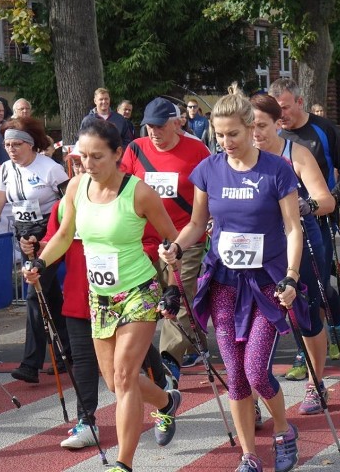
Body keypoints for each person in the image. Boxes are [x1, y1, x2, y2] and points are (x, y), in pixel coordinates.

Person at [24, 119, 182, 472]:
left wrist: (173, 284)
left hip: (138, 292)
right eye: (82, 156)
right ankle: (166, 402)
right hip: (101, 296)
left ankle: (123, 464)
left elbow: (172, 240)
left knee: (125, 377)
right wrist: (40, 262)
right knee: (112, 380)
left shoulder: (139, 192)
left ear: (118, 155)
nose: (88, 164)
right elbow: (64, 236)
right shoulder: (77, 187)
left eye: (97, 157)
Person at [161, 93, 304, 472]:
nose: (227, 142)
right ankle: (249, 456)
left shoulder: (276, 170)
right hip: (224, 281)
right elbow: (195, 224)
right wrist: (175, 245)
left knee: (257, 370)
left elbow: (292, 227)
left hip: (268, 282)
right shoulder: (209, 169)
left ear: (252, 128)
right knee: (236, 376)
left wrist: (292, 275)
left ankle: (284, 431)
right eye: (220, 135)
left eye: (234, 133)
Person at [251, 92, 336, 415]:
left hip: (302, 239)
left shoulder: (295, 152)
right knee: (256, 319)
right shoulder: (241, 157)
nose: (255, 133)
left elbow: (326, 200)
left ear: (277, 124)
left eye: (261, 125)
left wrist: (307, 204)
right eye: (250, 126)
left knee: (307, 314)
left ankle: (316, 382)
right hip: (258, 245)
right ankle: (255, 390)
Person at [268, 78, 340, 381]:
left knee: (317, 284)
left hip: (318, 220)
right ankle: (303, 349)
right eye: (274, 110)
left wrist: (330, 202)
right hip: (279, 228)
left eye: (284, 108)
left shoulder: (323, 129)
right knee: (295, 288)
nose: (280, 116)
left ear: (299, 102)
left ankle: (335, 325)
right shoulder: (269, 135)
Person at [0, 116, 71, 384]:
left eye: (17, 144)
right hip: (24, 238)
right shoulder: (5, 169)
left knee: (33, 293)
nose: (11, 149)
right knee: (48, 295)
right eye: (7, 144)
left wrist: (49, 237)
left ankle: (30, 363)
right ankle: (68, 352)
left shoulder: (51, 169)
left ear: (30, 145)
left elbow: (71, 207)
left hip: (50, 237)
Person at [121, 97, 210, 370]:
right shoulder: (136, 149)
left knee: (178, 297)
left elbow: (209, 190)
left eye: (160, 126)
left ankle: (167, 363)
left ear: (177, 123)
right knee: (144, 299)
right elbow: (121, 189)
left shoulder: (197, 150)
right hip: (145, 241)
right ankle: (196, 342)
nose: (154, 133)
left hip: (186, 238)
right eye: (149, 127)